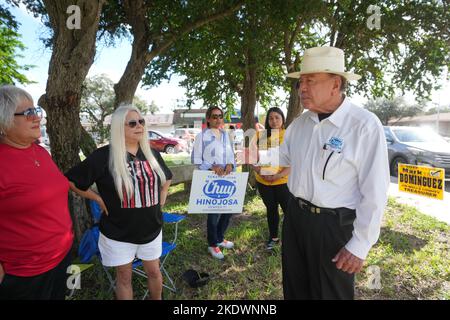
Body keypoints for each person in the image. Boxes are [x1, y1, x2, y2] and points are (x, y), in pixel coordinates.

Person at [279, 46, 390, 299]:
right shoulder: (300, 124)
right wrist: (252, 156)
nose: (302, 88)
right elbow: (282, 157)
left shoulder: (363, 125)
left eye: (310, 81)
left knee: (330, 294)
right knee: (295, 289)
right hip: (295, 218)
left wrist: (360, 245)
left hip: (333, 227)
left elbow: (375, 191)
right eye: (301, 82)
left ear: (335, 84)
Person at [65, 105, 172, 300]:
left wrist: (161, 198)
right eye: (132, 123)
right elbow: (73, 181)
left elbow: (167, 177)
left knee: (155, 272)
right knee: (123, 277)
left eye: (141, 122)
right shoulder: (103, 156)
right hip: (118, 232)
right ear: (118, 128)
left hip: (151, 229)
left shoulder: (151, 153)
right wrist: (97, 198)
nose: (139, 126)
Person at [0, 85, 74, 300]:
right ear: (4, 121)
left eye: (36, 111)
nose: (37, 118)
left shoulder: (40, 151)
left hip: (63, 255)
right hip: (26, 274)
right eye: (28, 113)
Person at [191, 106, 236, 260]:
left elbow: (231, 155)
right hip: (211, 179)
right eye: (214, 116)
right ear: (208, 119)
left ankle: (219, 237)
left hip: (227, 177)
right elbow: (196, 160)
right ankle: (212, 244)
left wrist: (231, 164)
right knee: (214, 212)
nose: (218, 119)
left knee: (228, 209)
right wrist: (211, 166)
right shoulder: (201, 137)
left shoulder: (226, 135)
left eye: (220, 116)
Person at [251, 107, 291, 250]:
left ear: (282, 119)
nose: (274, 121)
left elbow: (296, 161)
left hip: (283, 182)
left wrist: (278, 175)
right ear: (267, 120)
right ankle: (273, 238)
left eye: (277, 117)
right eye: (271, 118)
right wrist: (260, 172)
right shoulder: (261, 136)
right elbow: (252, 157)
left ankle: (291, 240)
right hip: (263, 182)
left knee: (289, 211)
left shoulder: (289, 135)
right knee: (271, 210)